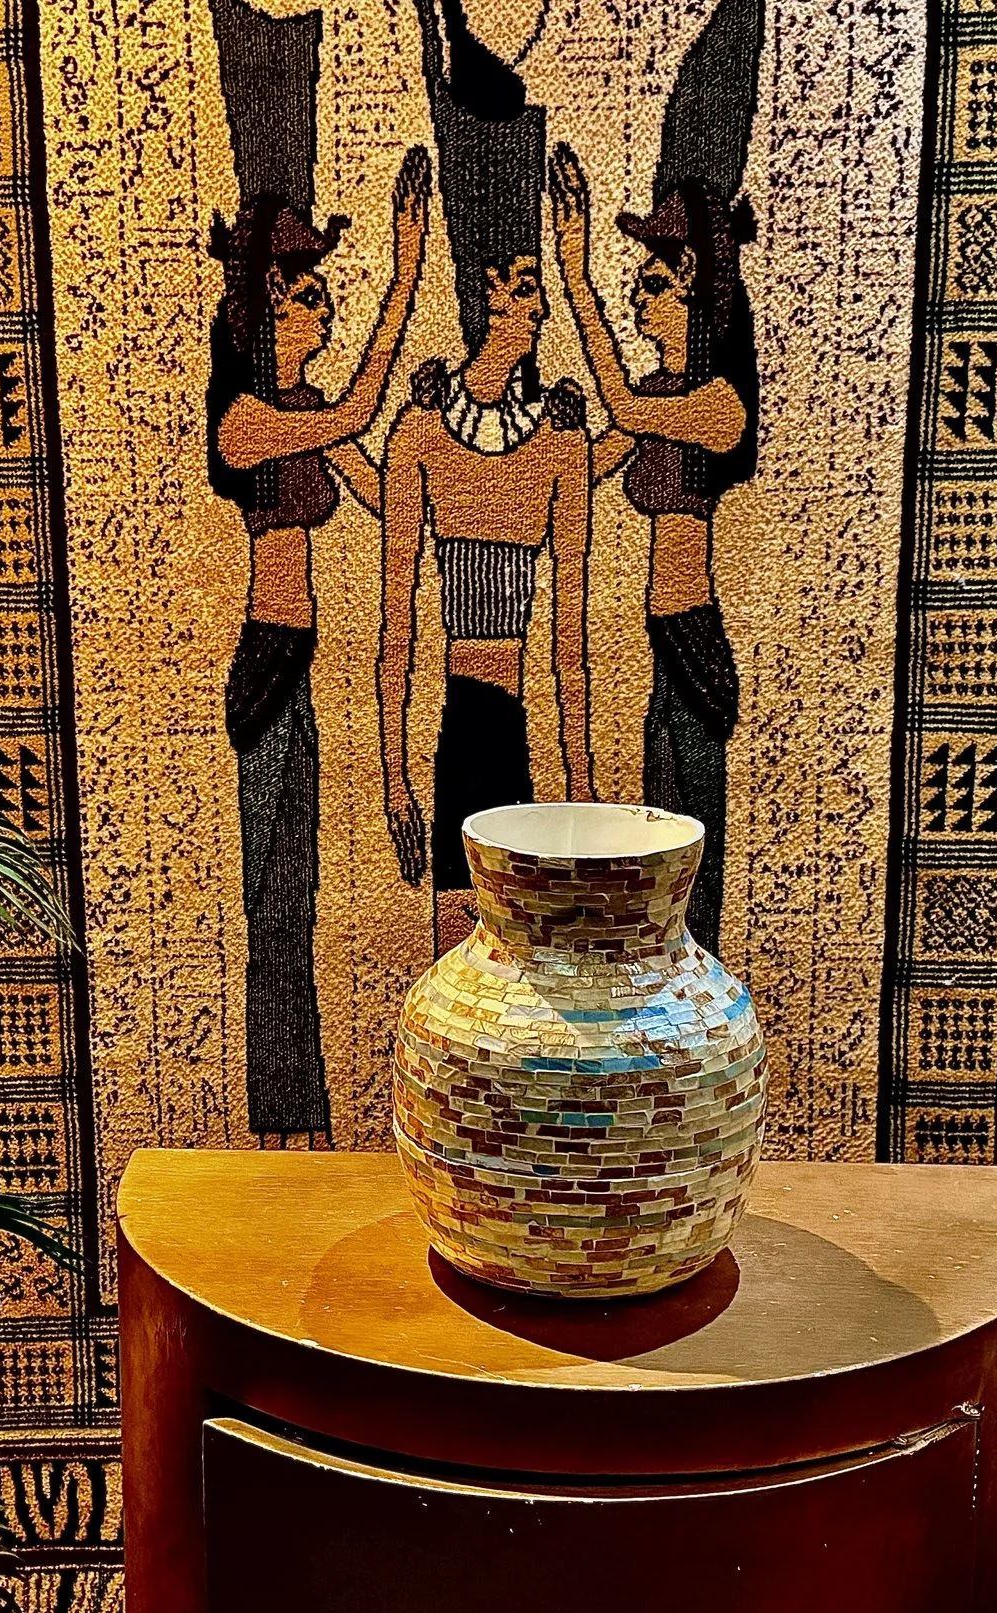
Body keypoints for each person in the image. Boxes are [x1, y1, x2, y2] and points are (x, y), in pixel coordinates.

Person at [208, 149, 430, 1144]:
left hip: (296, 668)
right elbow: (352, 414)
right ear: (265, 312)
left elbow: (386, 488)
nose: (325, 315)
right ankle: (276, 1109)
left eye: (327, 299)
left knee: (296, 892)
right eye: (309, 299)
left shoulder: (297, 417)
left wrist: (447, 434)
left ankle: (297, 1110)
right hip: (262, 665)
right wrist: (407, 275)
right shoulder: (247, 422)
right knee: (271, 900)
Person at [382, 0, 594, 954]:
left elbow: (573, 647)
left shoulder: (558, 441)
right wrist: (390, 769)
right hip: (461, 726)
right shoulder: (422, 433)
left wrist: (590, 798)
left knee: (530, 966)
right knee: (461, 966)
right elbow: (395, 628)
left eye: (537, 285)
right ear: (480, 298)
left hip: (512, 727)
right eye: (518, 285)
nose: (533, 300)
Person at [549, 145, 759, 952]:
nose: (640, 301)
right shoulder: (666, 401)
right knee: (654, 852)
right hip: (661, 644)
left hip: (694, 641)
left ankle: (697, 1012)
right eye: (637, 284)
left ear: (698, 290)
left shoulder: (715, 407)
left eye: (655, 286)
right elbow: (593, 454)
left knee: (690, 859)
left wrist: (578, 277)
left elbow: (623, 407)